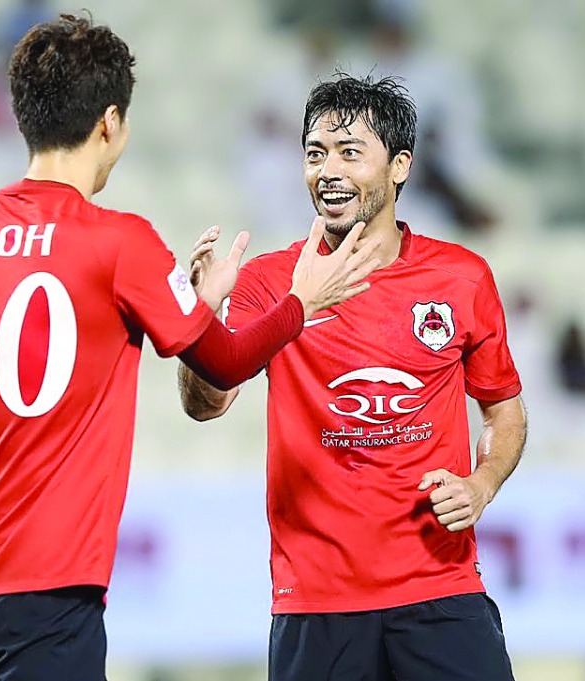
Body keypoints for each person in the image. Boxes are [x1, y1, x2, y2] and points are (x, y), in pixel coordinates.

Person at [0, 15, 378, 681]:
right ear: (111, 122)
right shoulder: (119, 242)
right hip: (46, 591)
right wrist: (302, 303)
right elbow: (225, 363)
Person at [179, 74, 527, 681]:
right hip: (317, 601)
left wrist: (482, 485)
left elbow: (504, 411)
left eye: (349, 152)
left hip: (439, 586)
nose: (327, 170)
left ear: (399, 167)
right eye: (315, 154)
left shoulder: (462, 277)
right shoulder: (270, 280)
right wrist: (201, 320)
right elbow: (207, 404)